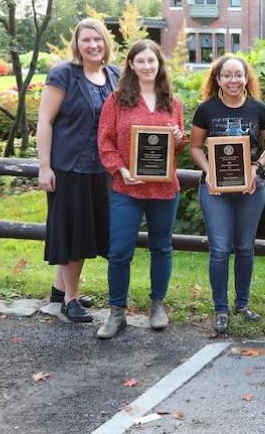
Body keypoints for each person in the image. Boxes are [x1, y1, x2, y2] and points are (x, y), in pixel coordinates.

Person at [95, 40, 185, 339]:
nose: (148, 66)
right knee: (119, 251)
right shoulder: (117, 100)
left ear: (159, 65)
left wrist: (178, 136)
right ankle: (116, 312)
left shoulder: (172, 103)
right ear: (131, 65)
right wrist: (119, 168)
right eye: (141, 61)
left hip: (163, 190)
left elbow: (179, 147)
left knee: (161, 247)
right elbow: (105, 140)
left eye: (152, 61)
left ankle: (157, 306)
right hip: (127, 188)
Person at [36, 18, 119, 323]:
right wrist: (44, 167)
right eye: (86, 40)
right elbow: (44, 121)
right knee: (74, 233)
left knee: (86, 231)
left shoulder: (114, 75)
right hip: (69, 167)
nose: (93, 45)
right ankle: (71, 300)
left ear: (105, 42)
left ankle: (60, 292)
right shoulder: (63, 74)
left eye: (98, 39)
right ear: (77, 44)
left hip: (101, 170)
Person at [189, 54, 265, 334]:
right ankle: (221, 308)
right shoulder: (206, 110)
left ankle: (242, 303)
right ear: (217, 79)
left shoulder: (259, 109)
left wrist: (255, 167)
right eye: (227, 75)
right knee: (220, 249)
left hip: (251, 187)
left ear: (246, 78)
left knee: (246, 247)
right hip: (214, 188)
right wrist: (209, 172)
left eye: (238, 75)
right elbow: (195, 149)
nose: (233, 80)